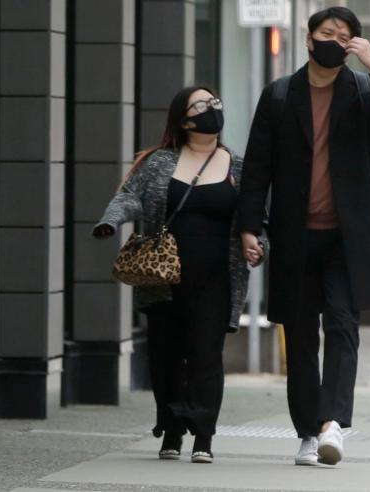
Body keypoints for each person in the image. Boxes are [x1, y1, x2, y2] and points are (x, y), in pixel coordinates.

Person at [236, 7, 370, 467]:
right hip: (294, 236)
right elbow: (257, 167)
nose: (333, 41)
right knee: (299, 338)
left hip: (347, 237)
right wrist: (249, 227)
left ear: (353, 45)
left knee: (342, 325)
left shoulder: (363, 90)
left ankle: (332, 424)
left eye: (343, 36)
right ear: (308, 39)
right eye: (326, 33)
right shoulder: (280, 95)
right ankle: (307, 432)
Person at [93, 87, 264, 463]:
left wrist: (257, 244)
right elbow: (129, 195)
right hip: (163, 277)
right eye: (201, 105)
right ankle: (171, 429)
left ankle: (203, 436)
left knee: (206, 354)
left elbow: (254, 217)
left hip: (216, 277)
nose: (212, 109)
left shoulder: (238, 167)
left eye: (215, 102)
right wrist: (111, 221)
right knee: (166, 355)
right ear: (184, 121)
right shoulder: (159, 162)